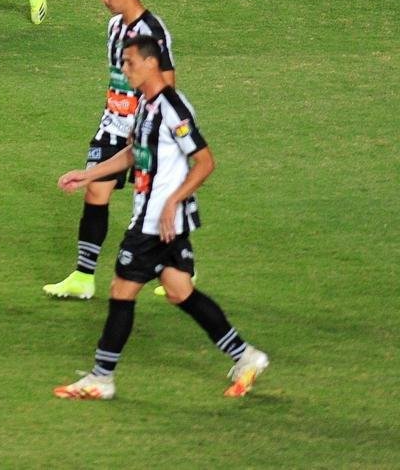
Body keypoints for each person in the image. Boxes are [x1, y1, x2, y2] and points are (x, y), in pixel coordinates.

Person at [53, 35, 269, 400]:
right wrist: (87, 174)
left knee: (121, 291)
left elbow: (205, 161)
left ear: (151, 63)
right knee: (180, 291)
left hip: (155, 222)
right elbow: (133, 155)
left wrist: (173, 201)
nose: (124, 69)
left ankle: (101, 378)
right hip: (166, 222)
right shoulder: (145, 105)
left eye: (130, 63)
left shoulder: (171, 106)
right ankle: (246, 356)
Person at [44, 0, 175, 300]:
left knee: (151, 202)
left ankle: (175, 268)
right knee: (95, 192)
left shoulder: (153, 32)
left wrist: (146, 124)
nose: (103, 0)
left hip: (145, 129)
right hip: (112, 126)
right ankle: (83, 277)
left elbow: (168, 86)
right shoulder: (115, 27)